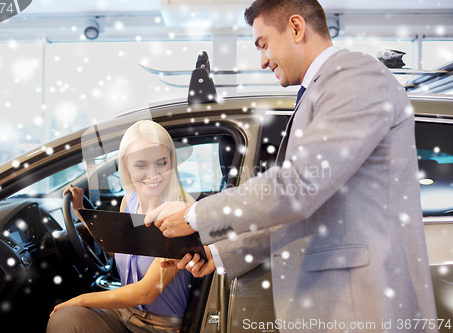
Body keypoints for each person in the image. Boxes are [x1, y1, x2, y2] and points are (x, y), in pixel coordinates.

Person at [146, 0, 438, 332]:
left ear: (296, 28)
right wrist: (220, 253)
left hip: (361, 310)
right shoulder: (320, 90)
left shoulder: (355, 75)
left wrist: (192, 215)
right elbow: (304, 210)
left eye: (264, 44)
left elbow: (297, 187)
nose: (262, 61)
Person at [47, 120, 195, 333]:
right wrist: (80, 212)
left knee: (68, 316)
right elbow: (117, 251)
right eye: (141, 165)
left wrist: (79, 299)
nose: (153, 174)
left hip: (158, 326)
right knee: (66, 321)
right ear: (126, 166)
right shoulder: (129, 201)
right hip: (123, 312)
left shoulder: (179, 215)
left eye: (161, 163)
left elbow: (146, 293)